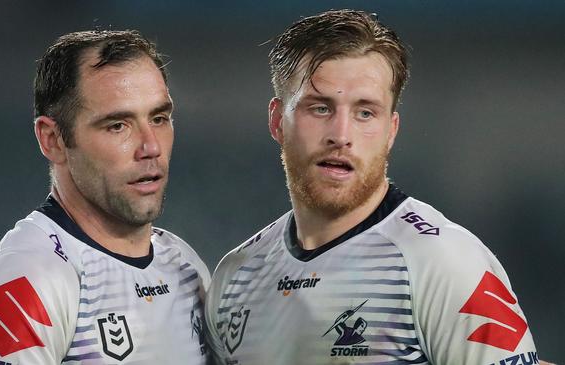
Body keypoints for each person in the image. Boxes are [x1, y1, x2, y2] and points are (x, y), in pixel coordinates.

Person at [205, 10, 544, 364]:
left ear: (391, 130)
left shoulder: (445, 262)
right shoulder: (236, 277)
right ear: (277, 121)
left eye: (365, 113)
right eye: (320, 108)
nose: (341, 135)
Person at [0, 30, 210, 364]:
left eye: (159, 119)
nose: (151, 148)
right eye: (117, 125)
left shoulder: (184, 266)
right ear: (53, 140)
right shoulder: (29, 280)